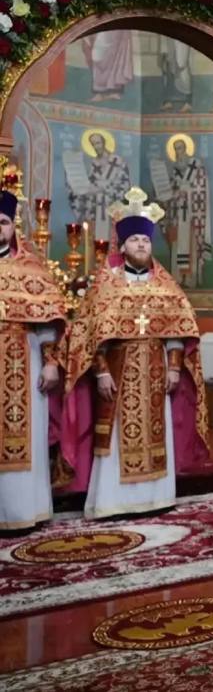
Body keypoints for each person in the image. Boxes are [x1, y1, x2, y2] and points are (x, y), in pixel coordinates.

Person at [61, 188, 209, 518]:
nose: (141, 245)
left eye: (145, 240)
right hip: (118, 371)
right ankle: (112, 501)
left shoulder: (166, 286)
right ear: (123, 246)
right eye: (134, 240)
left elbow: (178, 331)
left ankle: (156, 498)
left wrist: (174, 367)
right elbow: (89, 334)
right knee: (116, 436)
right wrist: (100, 371)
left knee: (157, 432)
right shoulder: (106, 286)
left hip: (156, 371)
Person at [0, 180, 67, 531]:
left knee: (25, 437)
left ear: (13, 227)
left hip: (23, 362)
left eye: (2, 222)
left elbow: (48, 322)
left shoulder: (32, 269)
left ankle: (23, 511)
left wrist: (52, 363)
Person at [164, 136, 213, 288]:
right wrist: (171, 194)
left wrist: (187, 191)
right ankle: (178, 278)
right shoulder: (175, 170)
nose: (178, 152)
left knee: (191, 245)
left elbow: (202, 187)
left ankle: (190, 278)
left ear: (186, 149)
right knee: (178, 245)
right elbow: (171, 190)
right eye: (175, 149)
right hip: (178, 215)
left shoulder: (196, 166)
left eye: (180, 148)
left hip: (193, 215)